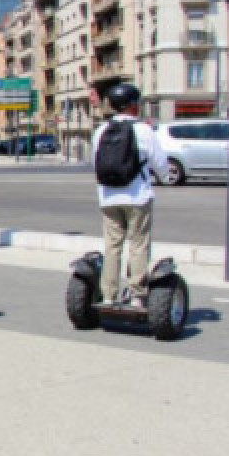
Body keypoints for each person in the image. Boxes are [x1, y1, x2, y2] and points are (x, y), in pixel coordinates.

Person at [91, 83, 169, 307]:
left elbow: (96, 164)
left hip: (108, 198)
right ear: (133, 105)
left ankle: (108, 296)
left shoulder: (100, 131)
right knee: (138, 245)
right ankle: (137, 295)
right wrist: (164, 178)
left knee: (112, 246)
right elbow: (161, 165)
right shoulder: (143, 130)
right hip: (137, 197)